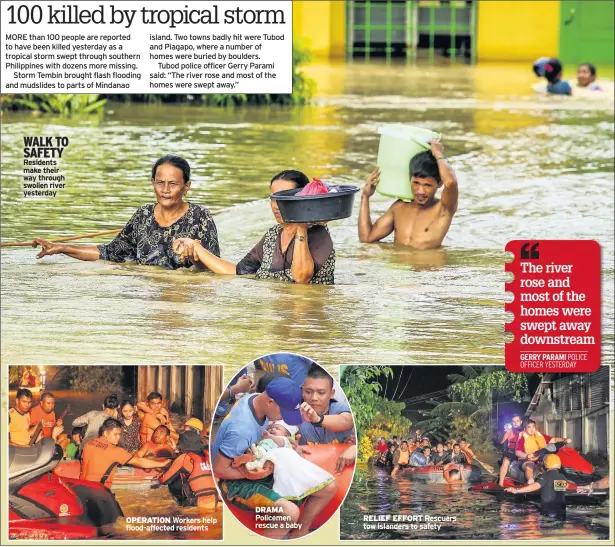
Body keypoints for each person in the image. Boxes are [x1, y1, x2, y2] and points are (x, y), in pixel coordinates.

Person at [34, 155, 220, 269]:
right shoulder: (143, 215)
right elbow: (110, 253)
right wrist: (61, 248)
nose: (165, 190)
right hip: (149, 293)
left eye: (172, 184)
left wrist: (194, 259)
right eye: (159, 182)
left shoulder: (200, 217)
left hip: (183, 294)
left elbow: (215, 268)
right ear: (153, 183)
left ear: (186, 186)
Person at [212, 373, 332, 539]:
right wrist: (255, 473)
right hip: (235, 482)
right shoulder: (241, 429)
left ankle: (299, 535)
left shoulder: (254, 398)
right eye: (283, 413)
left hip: (258, 460)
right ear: (270, 401)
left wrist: (288, 446)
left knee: (329, 488)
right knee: (289, 512)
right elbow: (219, 470)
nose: (284, 418)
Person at [173, 170, 336, 284]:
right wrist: (196, 247)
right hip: (279, 319)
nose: (276, 205)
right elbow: (238, 272)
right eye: (273, 198)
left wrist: (301, 225)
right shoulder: (273, 235)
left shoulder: (318, 233)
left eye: (284, 198)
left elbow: (302, 279)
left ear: (302, 199)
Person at [358, 139, 458, 249]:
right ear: (409, 179)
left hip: (428, 266)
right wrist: (365, 196)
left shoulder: (444, 209)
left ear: (439, 183)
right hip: (399, 265)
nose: (420, 191)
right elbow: (366, 238)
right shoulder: (399, 207)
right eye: (416, 183)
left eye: (427, 185)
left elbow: (451, 182)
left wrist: (438, 154)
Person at [233, 421, 336, 504]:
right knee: (253, 454)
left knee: (259, 464)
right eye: (272, 428)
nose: (273, 429)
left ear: (287, 434)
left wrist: (270, 436)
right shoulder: (267, 439)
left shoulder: (284, 440)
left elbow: (280, 442)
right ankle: (245, 463)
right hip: (260, 454)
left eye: (277, 428)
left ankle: (251, 466)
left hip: (268, 461)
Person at [297, 365, 356, 474]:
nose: (314, 398)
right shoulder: (294, 414)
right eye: (308, 392)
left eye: (321, 393)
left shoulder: (341, 408)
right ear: (302, 391)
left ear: (332, 393)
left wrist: (317, 418)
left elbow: (346, 421)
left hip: (341, 475)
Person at [80, 418, 171, 488]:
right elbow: (139, 461)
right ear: (105, 433)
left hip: (83, 486)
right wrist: (162, 463)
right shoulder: (116, 451)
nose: (118, 438)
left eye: (119, 434)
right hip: (100, 489)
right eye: (115, 434)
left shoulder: (89, 443)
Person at [505, 454, 568, 518]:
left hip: (548, 512)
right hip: (561, 512)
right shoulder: (562, 477)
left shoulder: (546, 475)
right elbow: (557, 490)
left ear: (545, 464)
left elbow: (534, 486)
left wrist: (516, 490)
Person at [515, 420, 571, 484]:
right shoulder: (522, 439)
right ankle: (531, 481)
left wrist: (564, 439)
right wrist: (527, 455)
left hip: (539, 455)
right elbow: (517, 452)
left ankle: (558, 481)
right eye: (529, 427)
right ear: (525, 429)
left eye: (533, 427)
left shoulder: (539, 435)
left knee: (551, 459)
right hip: (527, 459)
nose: (532, 429)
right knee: (530, 465)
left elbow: (553, 439)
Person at [498, 413, 524, 487]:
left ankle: (528, 482)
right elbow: (501, 441)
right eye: (513, 421)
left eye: (517, 421)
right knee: (506, 461)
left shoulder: (525, 430)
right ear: (512, 422)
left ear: (521, 422)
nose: (515, 423)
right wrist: (505, 432)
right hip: (511, 451)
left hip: (522, 452)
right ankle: (501, 483)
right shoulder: (509, 430)